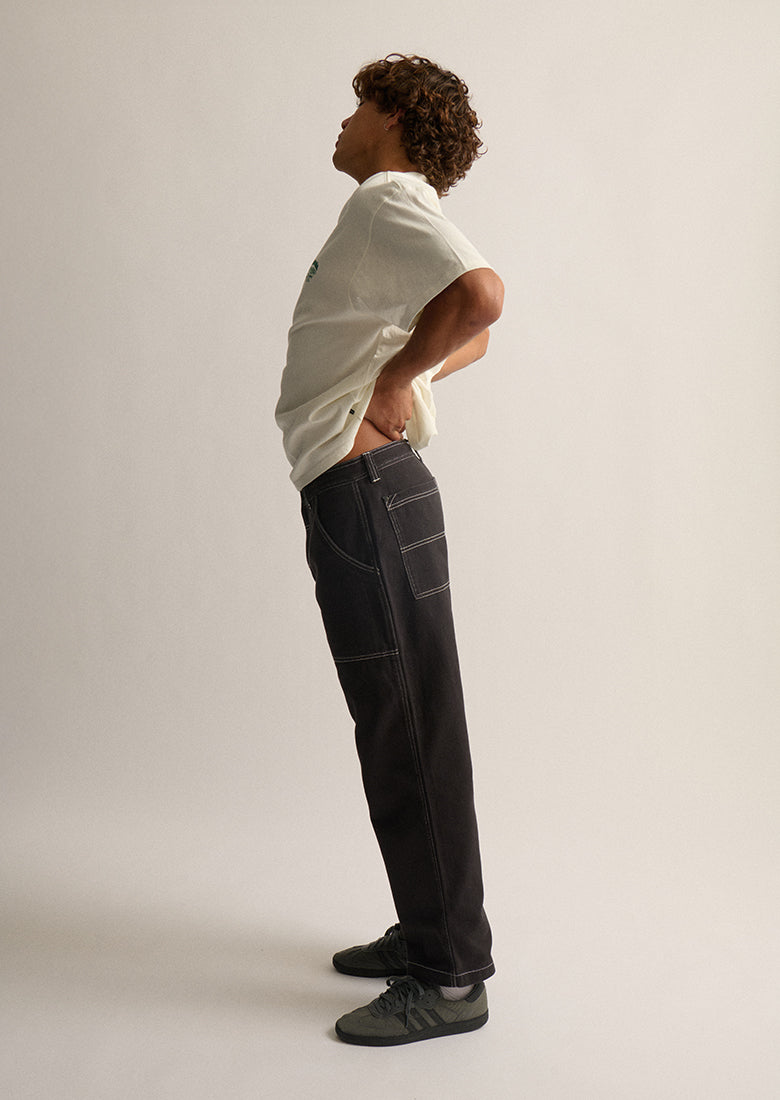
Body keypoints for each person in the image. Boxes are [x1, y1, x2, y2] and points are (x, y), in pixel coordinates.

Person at [275, 53, 504, 1046]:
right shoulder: (392, 214)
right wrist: (403, 369)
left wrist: (396, 378)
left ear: (394, 118)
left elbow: (482, 298)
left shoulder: (386, 199)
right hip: (372, 492)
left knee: (407, 727)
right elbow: (475, 331)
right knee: (404, 721)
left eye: (358, 104)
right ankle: (427, 931)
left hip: (368, 492)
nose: (344, 122)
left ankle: (449, 979)